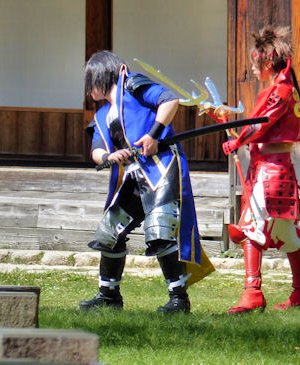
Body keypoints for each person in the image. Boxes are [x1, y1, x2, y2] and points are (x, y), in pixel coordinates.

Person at [79, 51, 213, 314]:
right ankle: (108, 295)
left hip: (161, 167)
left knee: (160, 229)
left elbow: (169, 100)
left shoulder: (132, 85)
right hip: (133, 175)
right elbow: (96, 151)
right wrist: (109, 155)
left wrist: (153, 135)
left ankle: (178, 299)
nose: (88, 89)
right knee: (109, 231)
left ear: (101, 75)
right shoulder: (103, 114)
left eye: (90, 81)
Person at [221, 25, 300, 313]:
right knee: (286, 231)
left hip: (271, 172)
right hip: (275, 169)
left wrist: (237, 139)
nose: (252, 67)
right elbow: (258, 125)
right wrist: (230, 127)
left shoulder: (281, 90)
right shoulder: (283, 88)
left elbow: (261, 125)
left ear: (266, 61)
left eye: (254, 62)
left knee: (252, 228)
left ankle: (253, 291)